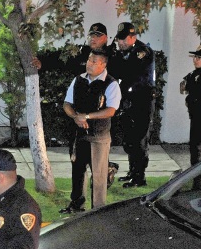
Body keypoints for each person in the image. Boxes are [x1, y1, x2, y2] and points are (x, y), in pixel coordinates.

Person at [59, 49, 121, 214]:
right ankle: (76, 205)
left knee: (99, 176)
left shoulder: (111, 84)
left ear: (103, 64)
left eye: (94, 61)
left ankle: (97, 211)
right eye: (89, 60)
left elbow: (111, 110)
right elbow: (67, 103)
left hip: (99, 137)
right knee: (78, 171)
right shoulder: (78, 80)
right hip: (79, 135)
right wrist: (75, 117)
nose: (89, 64)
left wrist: (86, 116)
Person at [109, 22, 155, 188]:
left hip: (142, 101)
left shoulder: (142, 52)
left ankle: (139, 178)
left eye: (123, 39)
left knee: (139, 140)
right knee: (129, 140)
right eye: (119, 39)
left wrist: (117, 58)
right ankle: (132, 171)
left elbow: (126, 72)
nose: (120, 43)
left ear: (133, 37)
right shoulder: (125, 53)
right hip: (129, 101)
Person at [34, 22, 109, 75]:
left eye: (97, 35)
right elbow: (59, 58)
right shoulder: (80, 52)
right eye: (91, 35)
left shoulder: (112, 56)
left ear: (106, 38)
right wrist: (42, 62)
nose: (93, 38)